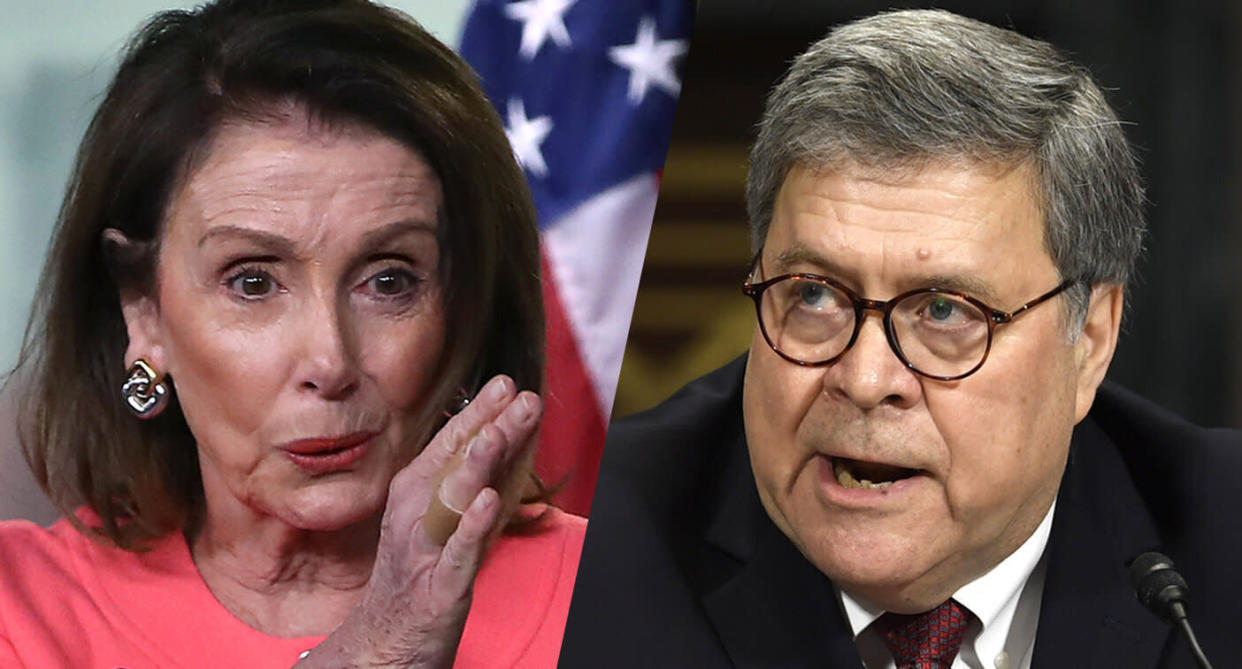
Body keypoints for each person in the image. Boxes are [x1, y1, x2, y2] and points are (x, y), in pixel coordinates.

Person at [560, 9, 1242, 669]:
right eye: (814, 294)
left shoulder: (1220, 545)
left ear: (1090, 339)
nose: (863, 378)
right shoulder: (590, 561)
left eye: (945, 311)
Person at [0, 1, 584, 666]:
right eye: (252, 282)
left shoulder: (615, 589)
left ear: (463, 308)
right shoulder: (20, 611)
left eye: (389, 281)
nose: (330, 360)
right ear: (142, 309)